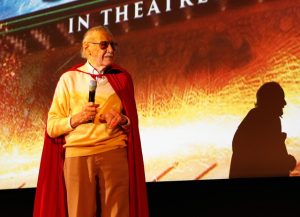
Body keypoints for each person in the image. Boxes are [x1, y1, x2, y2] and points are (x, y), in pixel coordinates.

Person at [33, 26, 149, 217]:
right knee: (80, 213)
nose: (110, 50)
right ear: (87, 49)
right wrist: (75, 119)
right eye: (104, 45)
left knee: (118, 213)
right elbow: (52, 127)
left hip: (114, 151)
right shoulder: (68, 79)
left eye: (113, 45)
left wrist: (123, 119)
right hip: (78, 155)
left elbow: (131, 123)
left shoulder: (122, 78)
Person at [229, 81, 297, 178]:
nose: (284, 103)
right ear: (271, 101)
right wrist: (286, 162)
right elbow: (266, 157)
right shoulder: (262, 120)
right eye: (281, 98)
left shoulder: (261, 118)